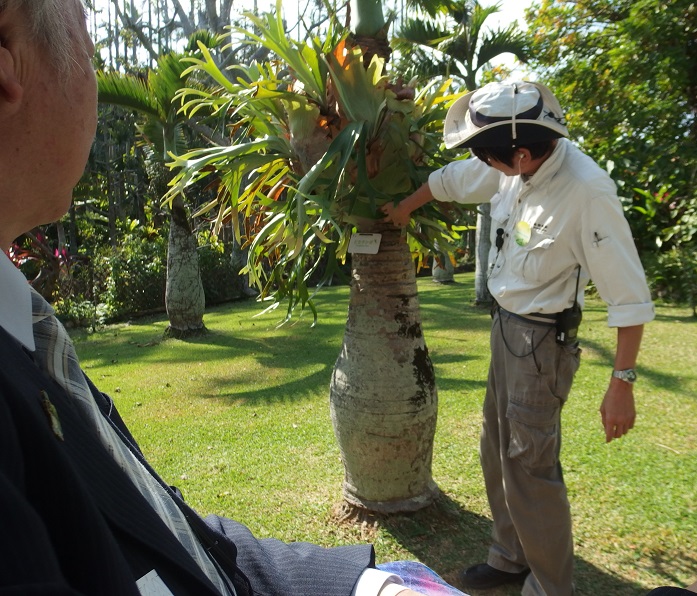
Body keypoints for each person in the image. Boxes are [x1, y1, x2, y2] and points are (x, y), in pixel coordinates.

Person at [0, 2, 463, 595]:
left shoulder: (29, 336)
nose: (92, 66)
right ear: (7, 68)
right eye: (87, 50)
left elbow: (171, 539)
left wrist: (362, 586)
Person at [382, 81, 656, 596]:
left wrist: (622, 382)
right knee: (496, 450)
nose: (484, 165)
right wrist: (405, 207)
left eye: (489, 157)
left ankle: (550, 587)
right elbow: (454, 179)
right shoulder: (513, 164)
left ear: (523, 154)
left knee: (530, 464)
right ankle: (509, 558)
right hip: (506, 328)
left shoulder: (587, 193)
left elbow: (629, 296)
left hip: (542, 344)